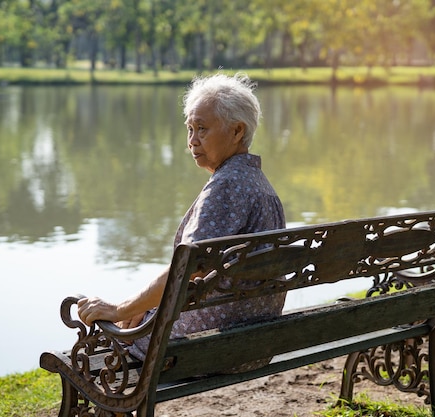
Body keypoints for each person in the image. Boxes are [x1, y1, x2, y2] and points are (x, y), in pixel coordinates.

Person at [77, 73, 286, 362]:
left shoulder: (227, 186)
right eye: (189, 129)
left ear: (237, 131)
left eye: (202, 129)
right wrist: (141, 307)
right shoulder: (259, 184)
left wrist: (120, 309)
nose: (192, 141)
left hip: (211, 344)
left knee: (101, 352)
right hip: (254, 340)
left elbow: (187, 269)